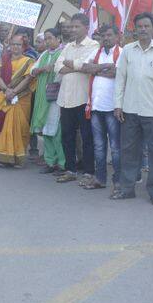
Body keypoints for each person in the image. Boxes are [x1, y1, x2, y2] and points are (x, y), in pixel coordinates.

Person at [113, 12, 153, 206]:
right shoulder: (127, 51)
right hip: (130, 109)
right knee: (129, 151)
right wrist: (118, 104)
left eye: (146, 26)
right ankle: (126, 188)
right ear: (135, 29)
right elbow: (120, 79)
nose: (143, 29)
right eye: (139, 26)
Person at [53, 13, 99, 184]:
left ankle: (88, 172)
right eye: (72, 26)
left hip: (82, 98)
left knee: (87, 136)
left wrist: (71, 64)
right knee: (67, 135)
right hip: (65, 97)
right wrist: (75, 65)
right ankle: (70, 169)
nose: (73, 29)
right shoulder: (68, 46)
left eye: (76, 26)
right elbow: (58, 67)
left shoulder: (94, 45)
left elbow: (86, 65)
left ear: (86, 28)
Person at [81, 24, 122, 191]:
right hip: (96, 106)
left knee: (116, 147)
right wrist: (105, 67)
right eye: (103, 35)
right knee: (99, 145)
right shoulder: (96, 51)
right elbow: (85, 68)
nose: (106, 38)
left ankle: (118, 181)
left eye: (109, 35)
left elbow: (117, 73)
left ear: (117, 36)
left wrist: (96, 69)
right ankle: (100, 179)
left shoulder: (122, 52)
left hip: (113, 107)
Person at [0, 34, 36, 167]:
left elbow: (28, 80)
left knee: (19, 127)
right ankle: (3, 156)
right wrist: (6, 90)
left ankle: (17, 158)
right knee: (3, 125)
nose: (15, 47)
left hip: (20, 99)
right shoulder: (4, 59)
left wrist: (14, 92)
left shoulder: (29, 61)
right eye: (13, 44)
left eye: (19, 45)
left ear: (24, 46)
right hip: (5, 96)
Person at [30, 28, 64, 174]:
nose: (48, 41)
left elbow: (60, 72)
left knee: (56, 131)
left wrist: (49, 69)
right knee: (46, 130)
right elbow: (33, 71)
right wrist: (44, 69)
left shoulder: (63, 53)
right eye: (46, 39)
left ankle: (62, 163)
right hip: (43, 96)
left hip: (57, 97)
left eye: (50, 38)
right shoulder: (44, 54)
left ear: (58, 39)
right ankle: (50, 162)